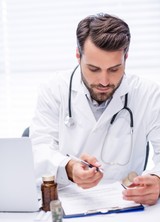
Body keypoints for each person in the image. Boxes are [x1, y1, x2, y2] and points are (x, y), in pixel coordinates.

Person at [30, 13, 160, 206]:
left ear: (126, 57)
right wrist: (68, 168)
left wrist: (157, 180)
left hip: (127, 205)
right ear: (78, 56)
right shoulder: (53, 89)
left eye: (115, 69)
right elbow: (38, 149)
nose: (104, 81)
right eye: (94, 69)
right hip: (67, 203)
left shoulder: (149, 94)